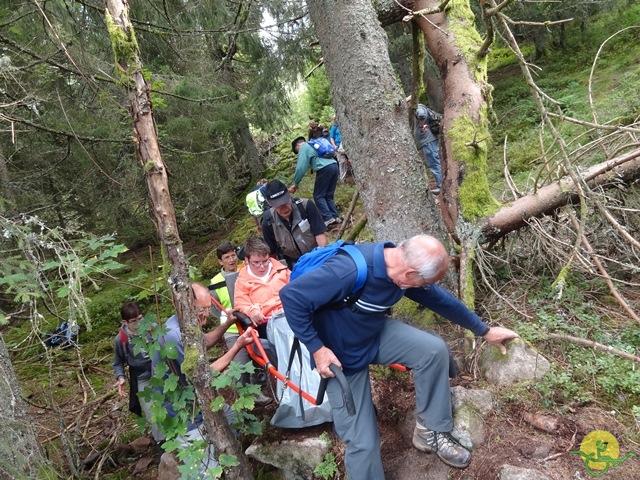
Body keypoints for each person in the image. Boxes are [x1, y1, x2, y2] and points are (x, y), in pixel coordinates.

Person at [279, 235, 520, 480]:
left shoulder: (400, 272)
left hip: (372, 332)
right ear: (410, 274)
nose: (424, 287)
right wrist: (318, 349)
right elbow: (291, 297)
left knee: (433, 350)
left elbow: (439, 300)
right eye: (423, 281)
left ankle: (430, 430)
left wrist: (485, 330)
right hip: (339, 356)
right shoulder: (348, 270)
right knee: (363, 442)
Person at [152, 283, 255, 475]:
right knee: (204, 471)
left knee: (231, 418)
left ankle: (223, 461)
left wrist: (227, 323)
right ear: (186, 305)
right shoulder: (174, 336)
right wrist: (237, 346)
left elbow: (204, 342)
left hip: (198, 403)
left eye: (209, 308)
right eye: (202, 309)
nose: (207, 314)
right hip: (183, 414)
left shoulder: (186, 324)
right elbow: (204, 374)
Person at [209, 242, 272, 406]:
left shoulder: (246, 272)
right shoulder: (215, 282)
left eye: (232, 256)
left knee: (259, 360)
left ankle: (259, 393)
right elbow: (213, 308)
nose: (230, 260)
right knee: (241, 365)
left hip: (254, 325)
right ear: (219, 261)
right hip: (233, 330)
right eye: (226, 257)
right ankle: (243, 400)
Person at [112, 301, 163, 443]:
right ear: (125, 322)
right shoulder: (121, 339)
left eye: (140, 318)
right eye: (134, 321)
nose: (139, 323)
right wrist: (121, 377)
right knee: (151, 410)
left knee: (168, 402)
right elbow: (117, 362)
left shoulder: (152, 329)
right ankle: (161, 442)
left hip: (159, 370)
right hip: (142, 376)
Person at [261, 179, 328, 269]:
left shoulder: (306, 206)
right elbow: (271, 253)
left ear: (289, 195)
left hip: (316, 256)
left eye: (285, 202)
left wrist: (323, 258)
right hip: (292, 265)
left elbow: (320, 235)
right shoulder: (268, 221)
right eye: (278, 205)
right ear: (269, 203)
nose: (284, 208)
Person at [289, 136, 341, 226]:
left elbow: (301, 168)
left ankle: (328, 218)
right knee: (328, 195)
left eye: (297, 152)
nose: (299, 153)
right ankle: (335, 216)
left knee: (318, 195)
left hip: (324, 169)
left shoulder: (304, 148)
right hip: (334, 165)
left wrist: (295, 183)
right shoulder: (314, 144)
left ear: (297, 146)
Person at [414, 104, 442, 195]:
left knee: (434, 162)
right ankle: (441, 184)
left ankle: (441, 185)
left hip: (428, 141)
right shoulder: (422, 107)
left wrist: (422, 127)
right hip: (428, 141)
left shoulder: (418, 108)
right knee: (435, 161)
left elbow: (421, 115)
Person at [329, 115, 348, 182]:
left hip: (347, 144)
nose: (336, 120)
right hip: (338, 145)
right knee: (342, 162)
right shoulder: (334, 127)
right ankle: (343, 178)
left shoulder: (346, 125)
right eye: (335, 119)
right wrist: (334, 146)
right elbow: (331, 137)